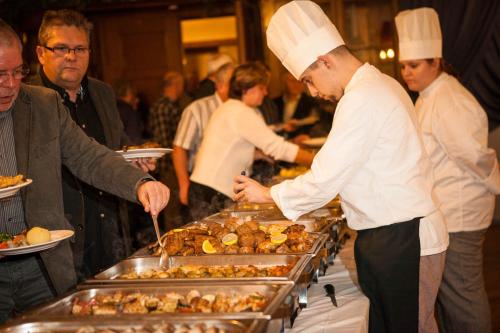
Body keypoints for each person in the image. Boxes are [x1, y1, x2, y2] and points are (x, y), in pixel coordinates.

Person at [232, 2, 448, 333]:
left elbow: (324, 179)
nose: (313, 91)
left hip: (404, 235)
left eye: (308, 80)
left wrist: (268, 194)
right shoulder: (379, 84)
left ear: (324, 61)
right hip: (395, 231)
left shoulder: (362, 96)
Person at [0, 19, 169, 323]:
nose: (11, 84)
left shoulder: (43, 104)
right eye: (0, 74)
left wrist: (140, 183)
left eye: (17, 72)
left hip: (42, 267)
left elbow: (88, 156)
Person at [396, 8, 500, 333]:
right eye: (403, 66)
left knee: (463, 297)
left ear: (435, 62)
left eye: (413, 65)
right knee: (451, 297)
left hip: (460, 214)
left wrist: (497, 181)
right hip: (446, 212)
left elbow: (474, 155)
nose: (406, 73)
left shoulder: (449, 98)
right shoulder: (428, 95)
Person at [31, 9, 156, 280]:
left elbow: (115, 145)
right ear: (41, 53)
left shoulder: (102, 92)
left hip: (110, 226)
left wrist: (134, 157)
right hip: (59, 238)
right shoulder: (29, 100)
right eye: (61, 48)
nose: (72, 56)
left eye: (80, 48)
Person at [189, 61, 314, 220]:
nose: (266, 92)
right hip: (211, 190)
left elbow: (229, 147)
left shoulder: (231, 108)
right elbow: (277, 147)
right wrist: (316, 161)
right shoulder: (240, 112)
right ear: (246, 89)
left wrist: (257, 155)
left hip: (205, 187)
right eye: (262, 88)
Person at [172, 63, 234, 213]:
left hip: (233, 183)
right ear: (220, 86)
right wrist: (184, 185)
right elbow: (179, 148)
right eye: (235, 84)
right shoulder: (197, 109)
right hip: (203, 185)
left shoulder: (241, 109)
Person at [148, 70, 187, 228]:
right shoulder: (164, 107)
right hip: (169, 166)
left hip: (174, 164)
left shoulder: (170, 106)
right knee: (171, 209)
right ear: (176, 85)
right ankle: (171, 243)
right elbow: (164, 141)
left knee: (175, 208)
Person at [273, 72, 319, 139]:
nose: (296, 85)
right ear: (285, 82)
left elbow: (316, 121)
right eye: (292, 81)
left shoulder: (312, 102)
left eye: (299, 82)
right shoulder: (274, 103)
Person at [113, 79, 143, 145]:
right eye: (134, 94)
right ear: (128, 93)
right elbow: (134, 139)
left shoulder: (109, 109)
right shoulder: (128, 111)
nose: (137, 100)